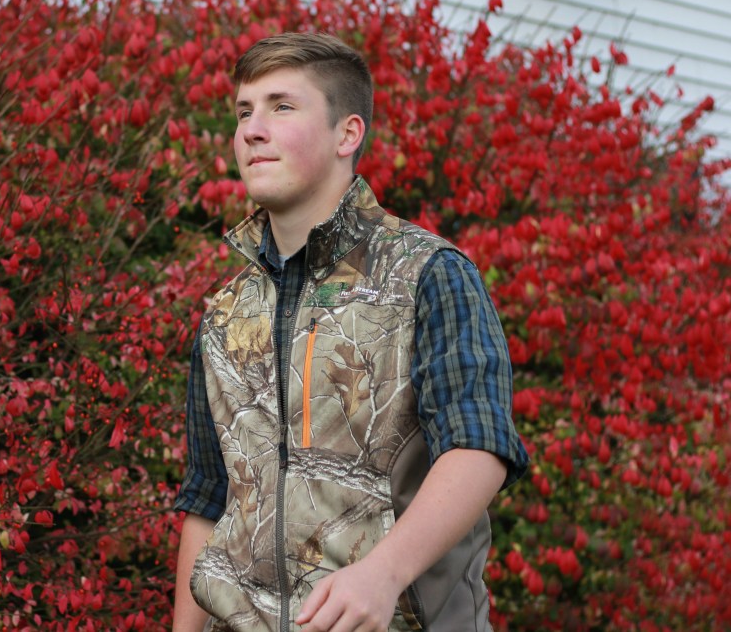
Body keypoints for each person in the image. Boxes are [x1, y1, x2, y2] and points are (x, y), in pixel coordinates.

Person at [173, 32, 529, 632]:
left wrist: (384, 573)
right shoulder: (226, 315)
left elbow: (478, 448)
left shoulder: (428, 274)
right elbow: (209, 501)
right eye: (243, 111)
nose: (252, 129)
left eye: (281, 106)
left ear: (347, 134)